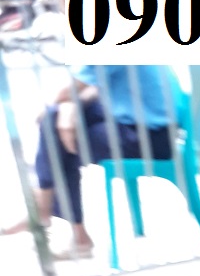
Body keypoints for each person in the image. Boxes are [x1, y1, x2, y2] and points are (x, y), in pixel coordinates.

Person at [0, 65, 174, 258]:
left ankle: (46, 210)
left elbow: (74, 88)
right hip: (129, 119)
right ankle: (49, 213)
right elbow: (92, 87)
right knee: (55, 119)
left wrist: (65, 103)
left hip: (149, 136)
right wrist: (69, 106)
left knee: (63, 139)